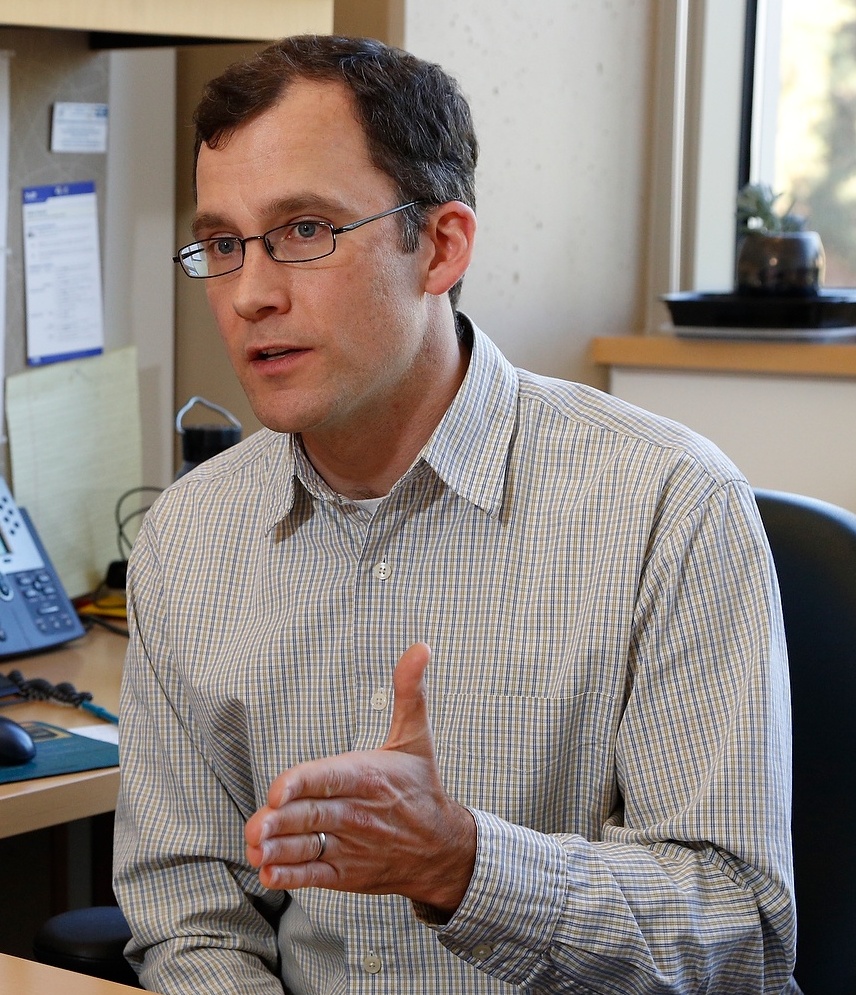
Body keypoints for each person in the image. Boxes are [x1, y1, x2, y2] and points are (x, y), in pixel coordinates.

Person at [113, 34, 798, 995]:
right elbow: (189, 918)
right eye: (224, 244)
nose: (252, 294)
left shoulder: (669, 502)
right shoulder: (186, 540)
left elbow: (740, 932)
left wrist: (462, 864)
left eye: (305, 230)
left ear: (439, 245)